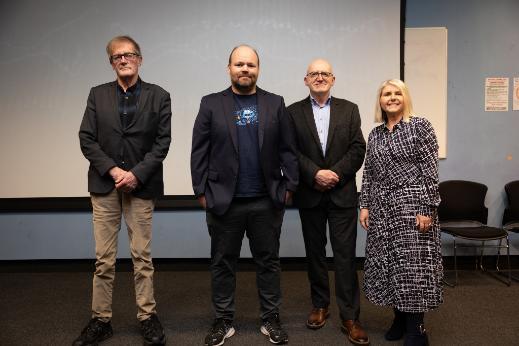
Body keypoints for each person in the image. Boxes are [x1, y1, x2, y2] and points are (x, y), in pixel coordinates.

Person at [190, 44, 298, 346]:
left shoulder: (275, 103)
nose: (245, 69)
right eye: (239, 64)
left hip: (266, 200)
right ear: (229, 69)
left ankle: (270, 318)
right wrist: (202, 192)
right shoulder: (211, 103)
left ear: (258, 69)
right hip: (224, 202)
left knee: (269, 262)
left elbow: (288, 150)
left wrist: (289, 188)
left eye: (250, 65)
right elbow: (199, 151)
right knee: (222, 262)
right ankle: (223, 320)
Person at [76, 35, 171, 346]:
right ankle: (100, 320)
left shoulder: (160, 96)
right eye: (118, 56)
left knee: (141, 256)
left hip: (141, 187)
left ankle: (147, 317)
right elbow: (87, 138)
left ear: (140, 59)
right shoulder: (97, 95)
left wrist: (135, 175)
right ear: (111, 62)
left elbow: (162, 143)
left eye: (130, 55)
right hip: (105, 186)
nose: (124, 60)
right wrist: (114, 171)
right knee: (104, 259)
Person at [287, 59, 368, 346]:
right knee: (315, 255)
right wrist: (314, 173)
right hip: (310, 194)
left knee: (345, 257)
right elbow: (289, 151)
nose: (319, 77)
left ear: (333, 79)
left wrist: (335, 173)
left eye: (324, 73)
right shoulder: (292, 113)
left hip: (342, 194)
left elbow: (359, 148)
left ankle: (350, 316)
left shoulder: (350, 109)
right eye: (314, 74)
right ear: (305, 79)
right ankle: (320, 306)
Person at [359, 79, 443, 346]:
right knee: (389, 265)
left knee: (412, 268)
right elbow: (369, 173)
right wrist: (364, 204)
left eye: (397, 93)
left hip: (412, 206)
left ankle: (416, 328)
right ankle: (399, 318)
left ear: (405, 98)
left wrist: (426, 208)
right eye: (386, 94)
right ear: (380, 100)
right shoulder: (376, 134)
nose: (392, 97)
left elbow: (430, 171)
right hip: (382, 208)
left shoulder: (420, 127)